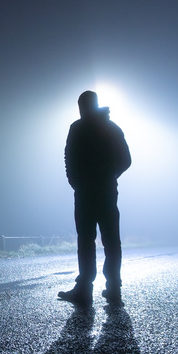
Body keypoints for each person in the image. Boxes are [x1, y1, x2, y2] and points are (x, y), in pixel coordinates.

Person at [57, 90, 131, 306]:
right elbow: (126, 160)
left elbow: (68, 157)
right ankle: (113, 289)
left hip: (85, 193)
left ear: (83, 106)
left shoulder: (77, 128)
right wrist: (109, 176)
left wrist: (76, 181)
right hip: (104, 192)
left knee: (87, 240)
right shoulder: (111, 128)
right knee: (110, 240)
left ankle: (85, 290)